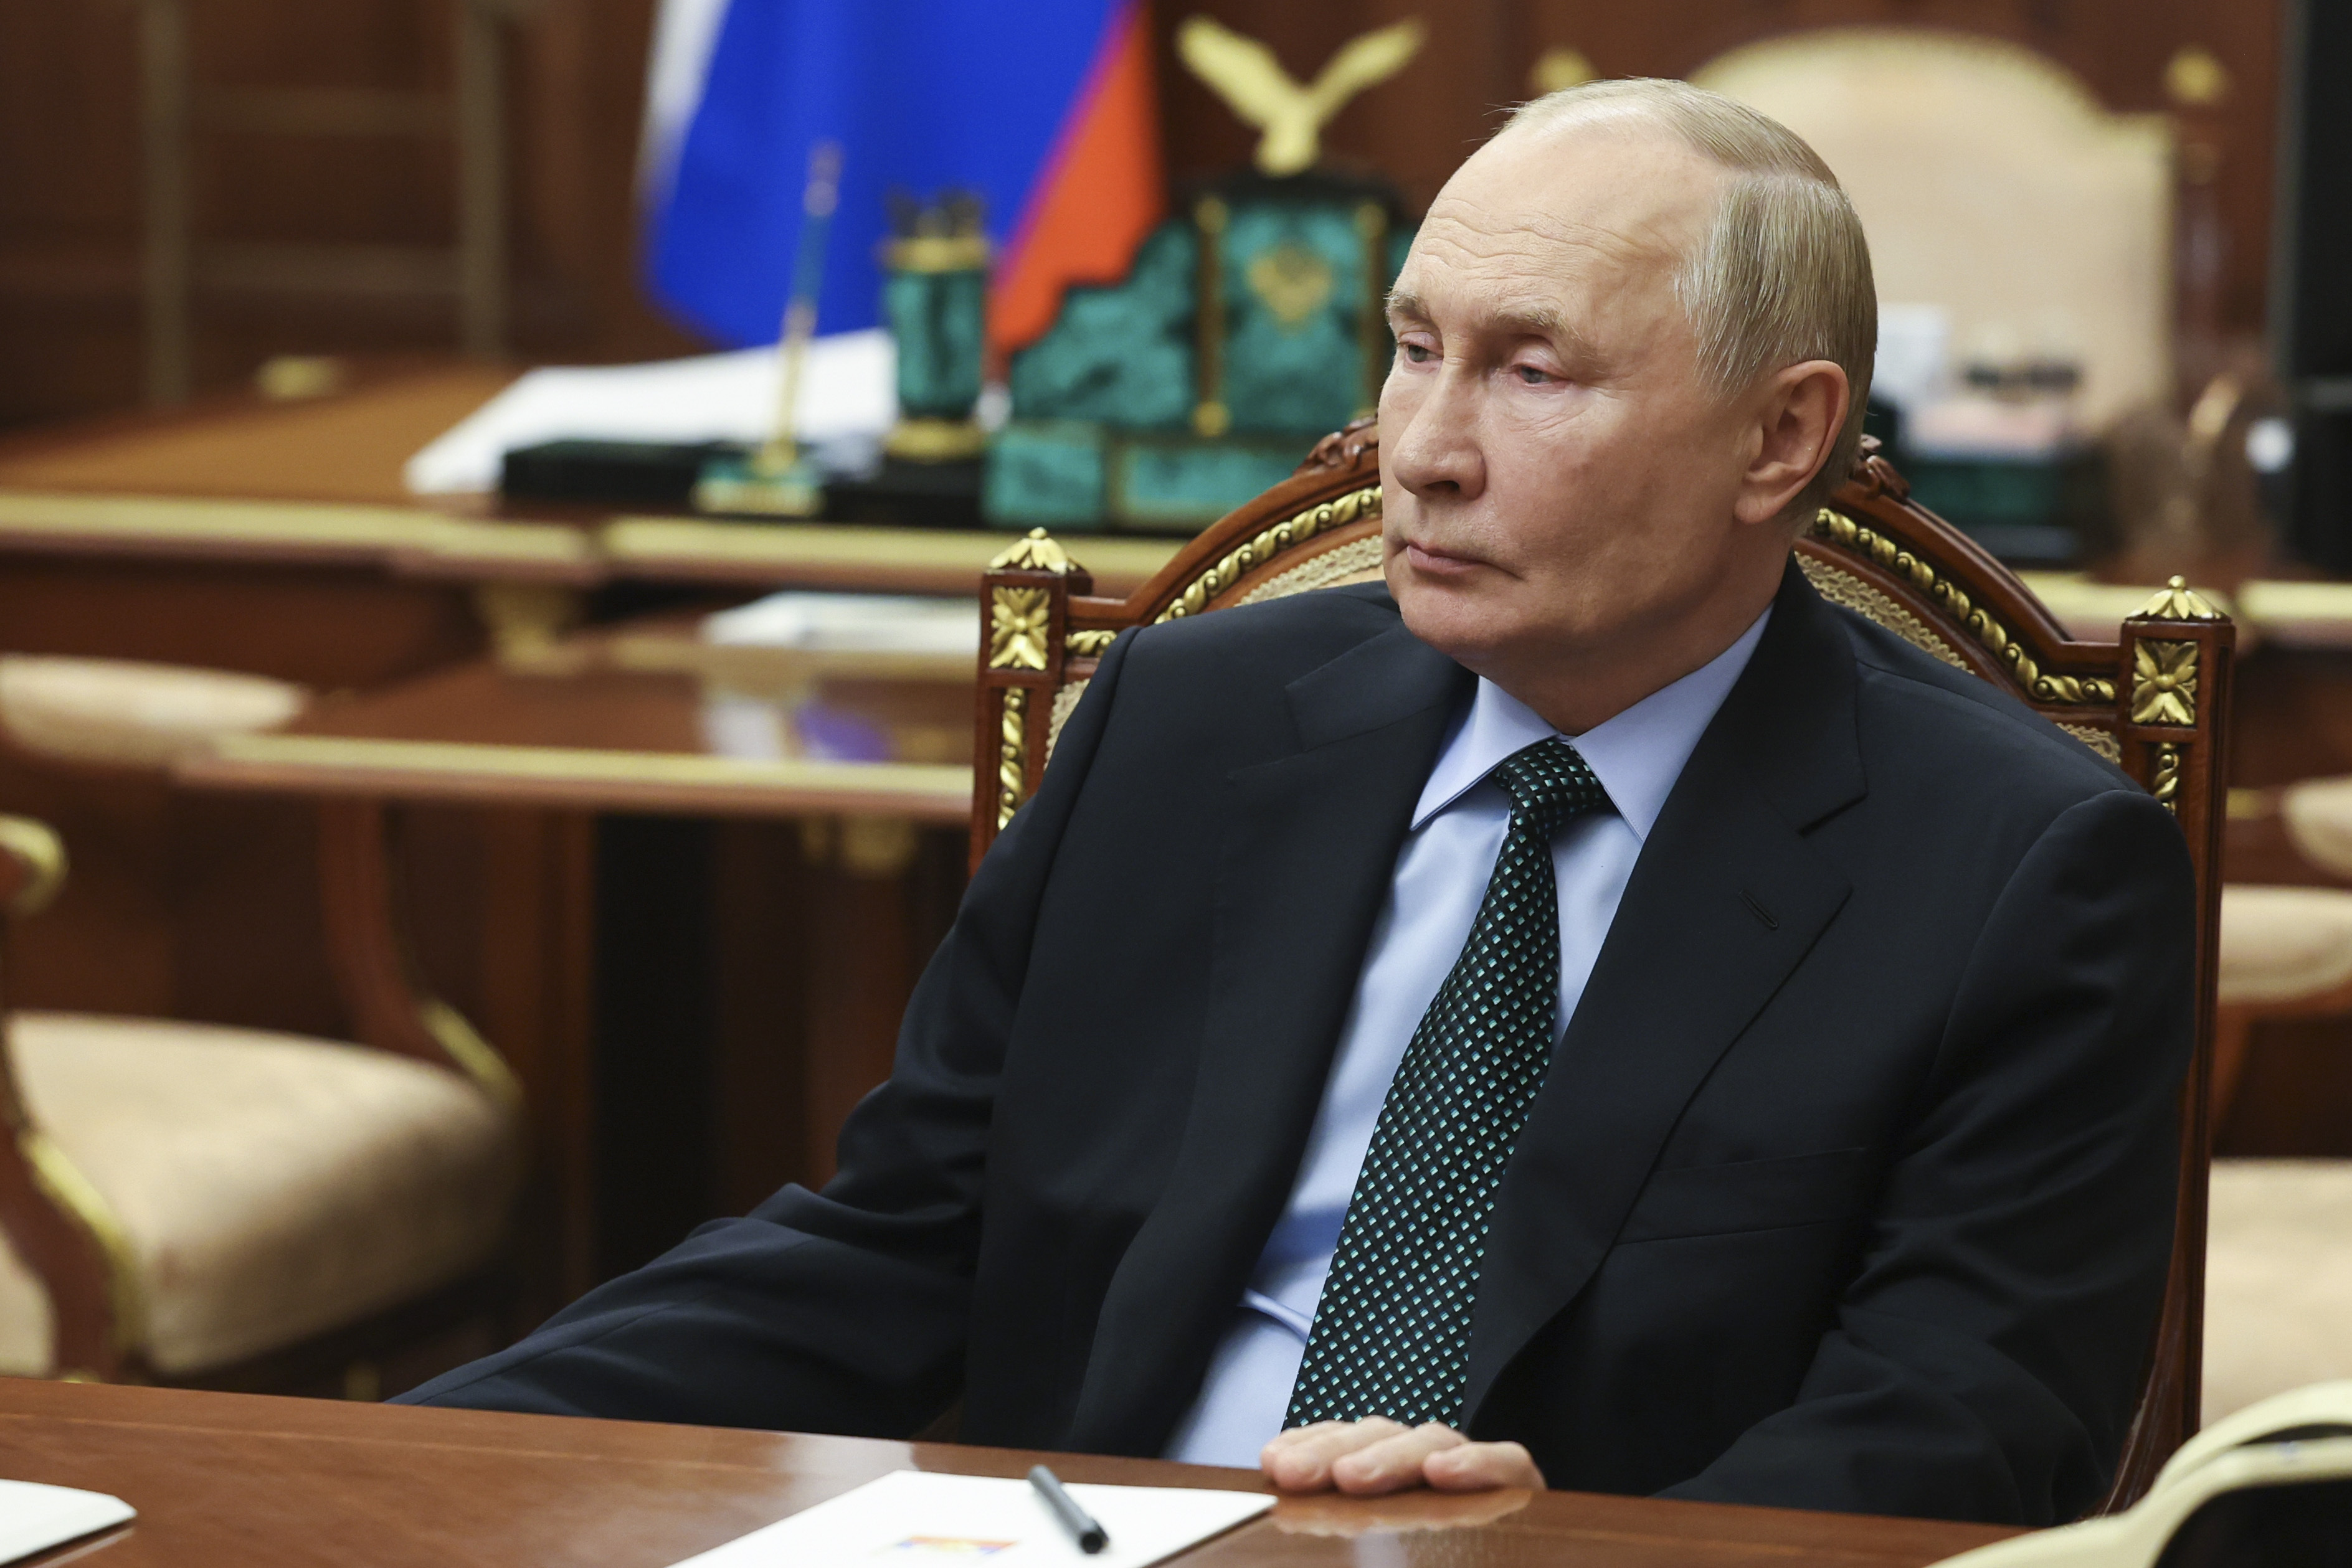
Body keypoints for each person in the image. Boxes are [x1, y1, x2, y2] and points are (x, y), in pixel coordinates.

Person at [399, 78, 2192, 1527]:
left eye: (1532, 370)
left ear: (1782, 440)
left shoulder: (2022, 868)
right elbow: (901, 1242)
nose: (1421, 447)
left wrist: (1563, 1543)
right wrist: (396, 1465)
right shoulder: (1187, 728)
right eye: (1415, 347)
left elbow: (1967, 1429)